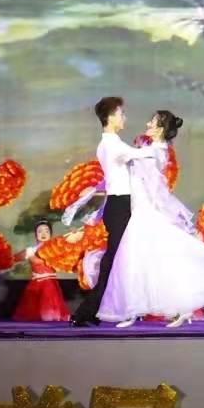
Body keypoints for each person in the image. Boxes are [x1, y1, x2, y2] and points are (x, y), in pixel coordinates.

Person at [96, 110, 204, 327]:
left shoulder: (155, 152)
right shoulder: (151, 149)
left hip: (148, 213)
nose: (147, 123)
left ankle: (174, 309)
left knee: (148, 261)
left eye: (152, 121)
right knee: (139, 263)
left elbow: (155, 188)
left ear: (160, 128)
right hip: (140, 212)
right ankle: (136, 309)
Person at [70, 96, 160, 327]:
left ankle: (97, 310)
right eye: (121, 113)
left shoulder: (113, 143)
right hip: (119, 205)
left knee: (120, 260)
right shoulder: (112, 145)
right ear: (110, 117)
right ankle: (86, 312)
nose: (124, 117)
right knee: (113, 260)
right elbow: (141, 155)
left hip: (121, 204)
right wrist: (159, 141)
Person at [12, 220, 70, 322]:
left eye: (46, 231)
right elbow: (12, 259)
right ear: (35, 234)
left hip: (51, 285)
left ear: (50, 234)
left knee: (48, 287)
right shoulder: (31, 251)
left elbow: (71, 253)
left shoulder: (56, 248)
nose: (43, 234)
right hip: (36, 286)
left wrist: (72, 236)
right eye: (40, 231)